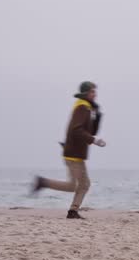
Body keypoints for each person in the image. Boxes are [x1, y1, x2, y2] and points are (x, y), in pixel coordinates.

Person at [31, 81, 106, 219]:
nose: (95, 94)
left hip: (74, 153)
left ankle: (45, 185)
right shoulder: (82, 107)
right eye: (92, 92)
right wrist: (94, 141)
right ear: (86, 93)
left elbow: (90, 130)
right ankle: (72, 211)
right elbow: (76, 130)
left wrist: (97, 117)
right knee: (83, 185)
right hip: (74, 153)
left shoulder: (86, 107)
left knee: (76, 185)